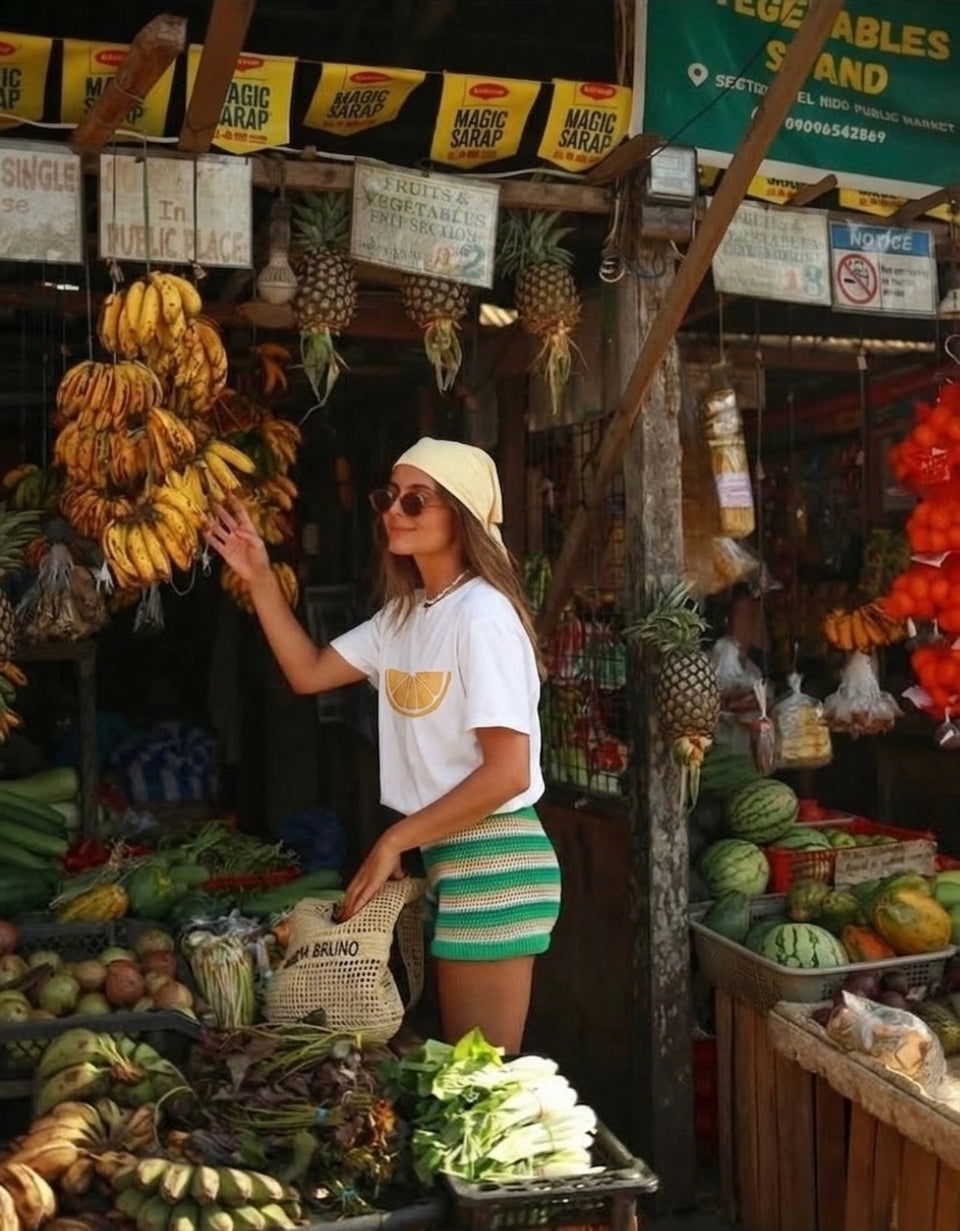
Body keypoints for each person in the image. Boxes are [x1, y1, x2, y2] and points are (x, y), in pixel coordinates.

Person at [205, 437, 561, 1052]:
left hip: (496, 860)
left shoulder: (483, 615)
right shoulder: (405, 617)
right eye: (390, 496)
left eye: (416, 500)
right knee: (465, 1071)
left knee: (480, 1080)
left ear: (462, 516)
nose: (395, 510)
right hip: (453, 855)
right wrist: (260, 578)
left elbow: (506, 772)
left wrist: (396, 837)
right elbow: (308, 672)